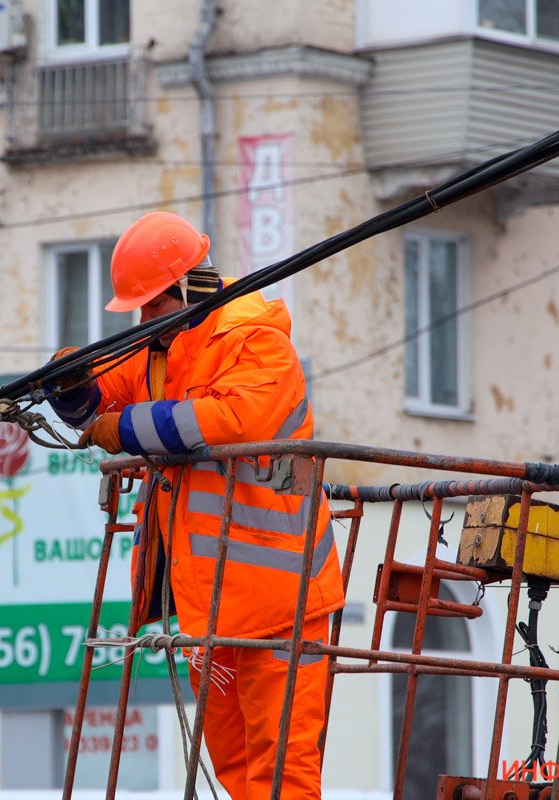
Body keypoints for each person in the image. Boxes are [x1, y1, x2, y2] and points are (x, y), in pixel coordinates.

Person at [49, 211, 345, 800]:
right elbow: (97, 407)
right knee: (237, 773)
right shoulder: (157, 353)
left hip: (282, 610)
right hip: (213, 615)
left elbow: (225, 422)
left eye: (152, 306)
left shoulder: (257, 342)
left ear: (191, 290)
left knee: (283, 774)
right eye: (137, 309)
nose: (142, 320)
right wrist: (72, 385)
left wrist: (123, 427)